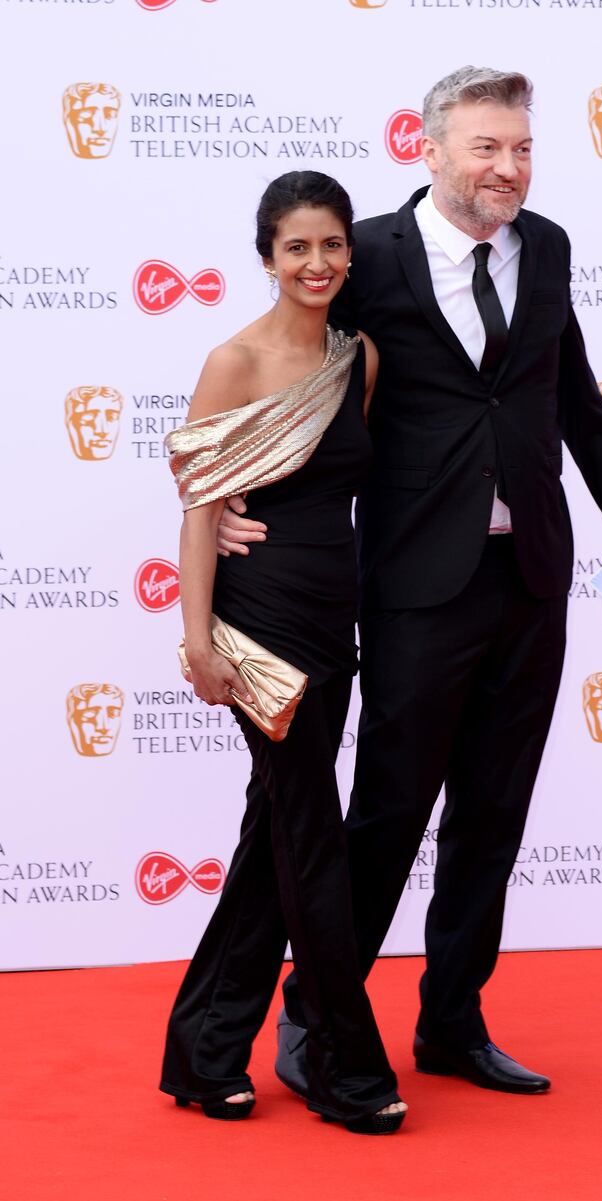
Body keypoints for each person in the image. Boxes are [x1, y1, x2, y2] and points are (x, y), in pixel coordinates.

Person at [219, 67, 602, 1097]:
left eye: (518, 148)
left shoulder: (543, 244)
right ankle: (318, 1015)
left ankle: (451, 1022)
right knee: (385, 812)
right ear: (427, 150)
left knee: (491, 814)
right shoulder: (365, 253)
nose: (505, 167)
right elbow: (286, 371)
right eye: (484, 148)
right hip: (419, 579)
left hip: (531, 574)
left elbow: (576, 401)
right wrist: (233, 496)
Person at [159, 171, 406, 1134]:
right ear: (266, 255)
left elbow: (346, 480)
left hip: (332, 620)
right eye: (297, 246)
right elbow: (195, 507)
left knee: (275, 838)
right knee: (311, 837)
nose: (318, 263)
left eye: (333, 245)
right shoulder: (236, 359)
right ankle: (346, 1066)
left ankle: (205, 1051)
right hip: (258, 628)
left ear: (351, 254)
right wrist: (197, 639)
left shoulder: (362, 359)